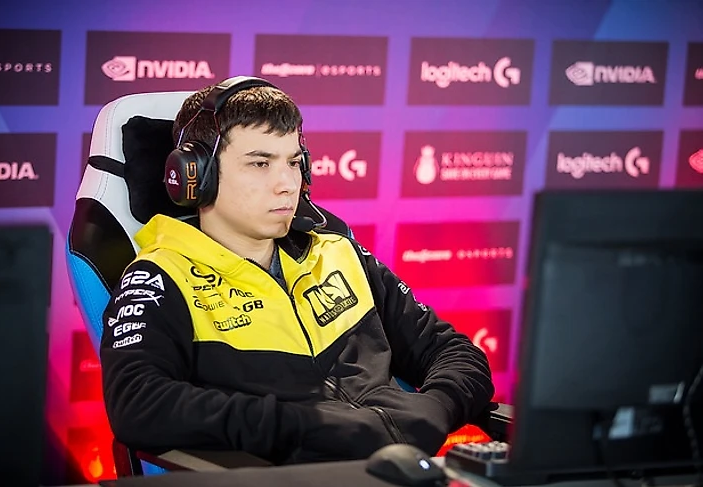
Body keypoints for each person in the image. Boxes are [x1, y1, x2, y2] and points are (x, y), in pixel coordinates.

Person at [100, 76, 494, 465]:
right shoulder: (160, 277)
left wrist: (436, 406)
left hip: (402, 471)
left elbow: (452, 351)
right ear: (197, 175)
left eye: (293, 162)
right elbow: (139, 402)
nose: (288, 184)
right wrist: (310, 428)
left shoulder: (337, 251)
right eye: (260, 163)